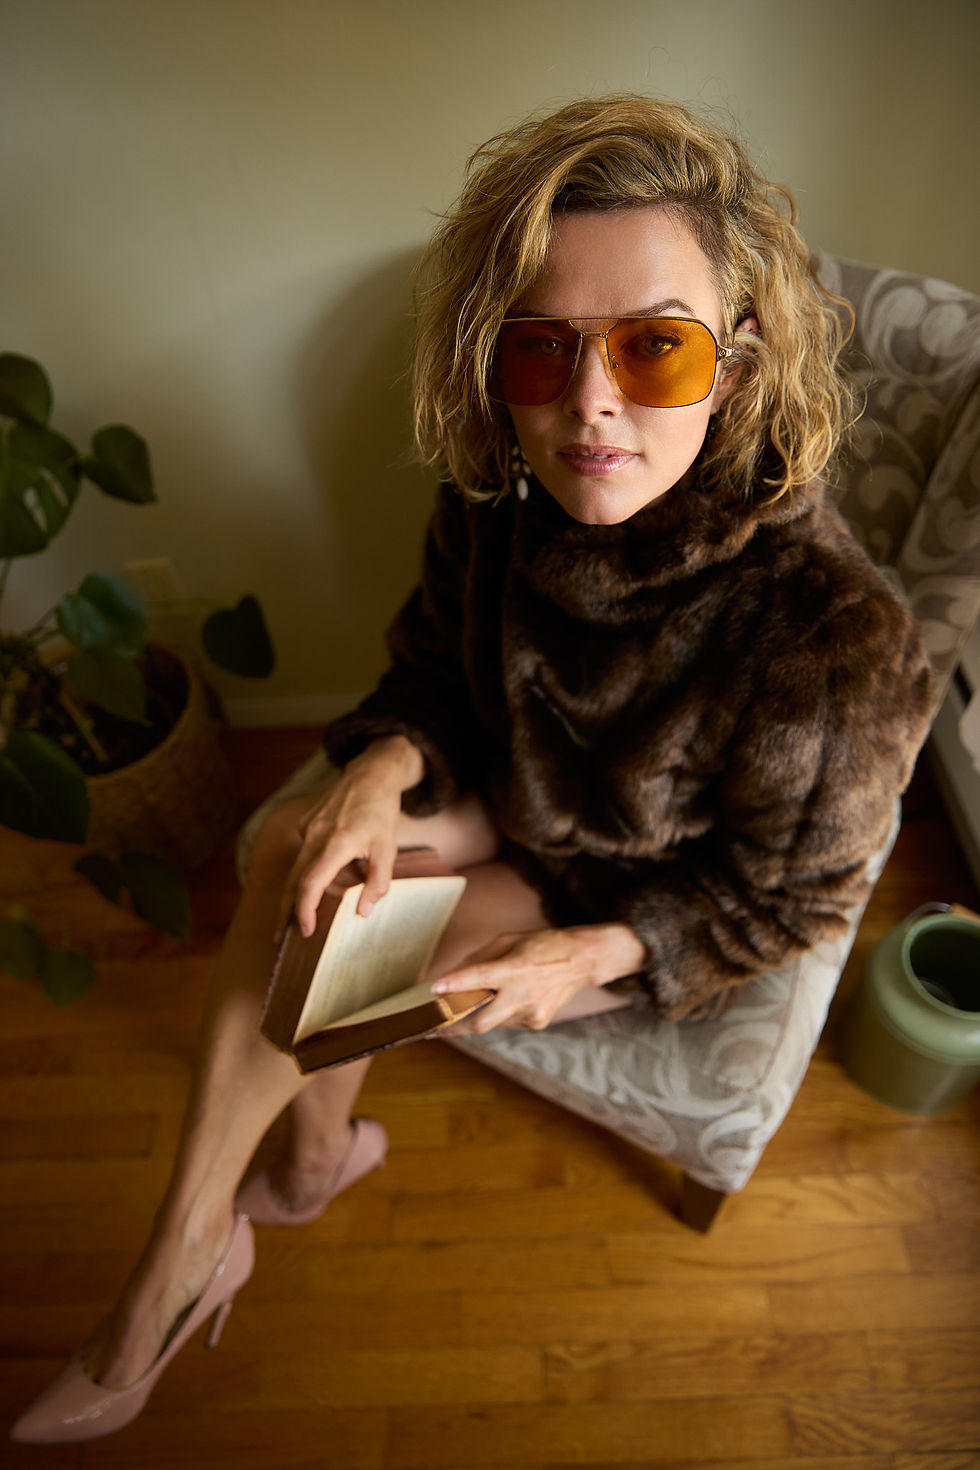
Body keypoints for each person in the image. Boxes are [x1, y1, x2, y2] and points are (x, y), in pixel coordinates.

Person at [12, 94, 932, 1443]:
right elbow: (435, 673)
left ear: (737, 361)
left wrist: (591, 957)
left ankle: (180, 1266)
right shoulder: (507, 491)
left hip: (623, 893)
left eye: (656, 350)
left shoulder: (835, 638)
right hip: (502, 790)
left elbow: (787, 904)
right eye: (541, 352)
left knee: (350, 935)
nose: (590, 406)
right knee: (304, 852)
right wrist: (383, 764)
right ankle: (286, 1177)